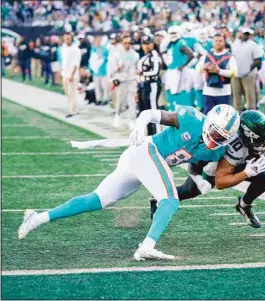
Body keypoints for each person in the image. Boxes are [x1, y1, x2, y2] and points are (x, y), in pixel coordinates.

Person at [18, 104, 240, 261]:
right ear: (208, 121)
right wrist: (139, 127)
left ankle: (37, 218)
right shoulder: (191, 118)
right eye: (214, 131)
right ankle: (146, 247)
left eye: (221, 137)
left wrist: (197, 179)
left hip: (143, 160)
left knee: (97, 200)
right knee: (170, 200)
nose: (215, 138)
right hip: (146, 151)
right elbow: (150, 113)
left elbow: (193, 162)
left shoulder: (215, 151)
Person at [149, 110, 265, 228]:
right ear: (247, 138)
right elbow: (221, 182)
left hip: (238, 161)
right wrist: (248, 172)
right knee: (190, 191)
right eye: (262, 141)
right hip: (211, 164)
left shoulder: (255, 133)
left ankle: (243, 205)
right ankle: (159, 197)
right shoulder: (236, 147)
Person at [196, 33, 237, 114]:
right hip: (208, 92)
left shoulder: (229, 57)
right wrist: (202, 68)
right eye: (216, 41)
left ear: (224, 42)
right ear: (212, 42)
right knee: (208, 117)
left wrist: (219, 71)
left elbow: (234, 72)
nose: (218, 42)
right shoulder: (206, 56)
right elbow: (197, 68)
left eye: (220, 41)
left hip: (224, 93)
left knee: (224, 118)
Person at [162, 25, 194, 111]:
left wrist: (183, 65)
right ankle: (173, 110)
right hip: (171, 70)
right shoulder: (171, 44)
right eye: (171, 33)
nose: (172, 35)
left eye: (174, 33)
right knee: (170, 90)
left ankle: (181, 111)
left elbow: (191, 54)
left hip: (178, 70)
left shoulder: (181, 42)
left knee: (178, 91)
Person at [110, 35, 139, 129]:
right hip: (121, 80)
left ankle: (132, 120)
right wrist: (116, 69)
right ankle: (117, 116)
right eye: (125, 43)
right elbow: (112, 69)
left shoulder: (135, 54)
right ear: (122, 44)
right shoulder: (117, 54)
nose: (127, 45)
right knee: (120, 101)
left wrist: (137, 78)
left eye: (129, 43)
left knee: (132, 102)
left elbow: (137, 68)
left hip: (131, 80)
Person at [136, 35, 163, 135]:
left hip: (152, 84)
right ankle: (150, 134)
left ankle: (158, 134)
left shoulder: (154, 55)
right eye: (144, 44)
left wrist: (142, 73)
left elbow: (155, 72)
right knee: (145, 112)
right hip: (144, 85)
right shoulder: (145, 56)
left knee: (153, 111)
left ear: (152, 44)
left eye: (148, 43)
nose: (146, 46)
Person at [231, 28, 262, 112]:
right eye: (243, 33)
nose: (245, 35)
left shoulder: (253, 44)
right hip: (235, 74)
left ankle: (251, 114)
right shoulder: (235, 44)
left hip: (248, 75)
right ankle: (237, 114)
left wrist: (248, 70)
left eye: (247, 34)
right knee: (236, 95)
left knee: (250, 96)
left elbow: (258, 59)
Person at [61, 33, 82, 118]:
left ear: (71, 39)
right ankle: (74, 109)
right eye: (66, 38)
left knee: (71, 92)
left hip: (72, 74)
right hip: (65, 73)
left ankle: (71, 111)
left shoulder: (75, 49)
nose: (67, 40)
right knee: (68, 93)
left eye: (68, 38)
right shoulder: (63, 47)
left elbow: (76, 63)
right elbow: (63, 60)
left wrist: (72, 75)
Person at [89, 36, 109, 106]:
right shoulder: (93, 50)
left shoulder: (104, 50)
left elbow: (106, 59)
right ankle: (98, 99)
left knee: (104, 86)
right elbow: (91, 61)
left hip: (103, 71)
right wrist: (90, 70)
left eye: (98, 41)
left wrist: (101, 58)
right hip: (96, 71)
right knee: (97, 86)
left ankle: (105, 98)